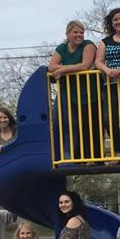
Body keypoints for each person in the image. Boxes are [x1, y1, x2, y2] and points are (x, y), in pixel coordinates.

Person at [48, 20, 99, 160]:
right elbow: (51, 66)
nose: (79, 35)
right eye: (75, 32)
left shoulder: (88, 45)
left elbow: (85, 65)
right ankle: (73, 157)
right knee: (70, 124)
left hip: (89, 92)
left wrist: (63, 70)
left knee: (90, 124)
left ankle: (92, 158)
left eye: (81, 32)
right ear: (68, 34)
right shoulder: (62, 48)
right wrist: (69, 68)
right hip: (70, 92)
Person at [94, 7, 120, 154]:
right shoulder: (105, 42)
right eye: (116, 20)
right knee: (109, 118)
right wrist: (107, 70)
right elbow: (98, 61)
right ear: (111, 23)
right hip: (111, 84)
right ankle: (117, 150)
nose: (119, 22)